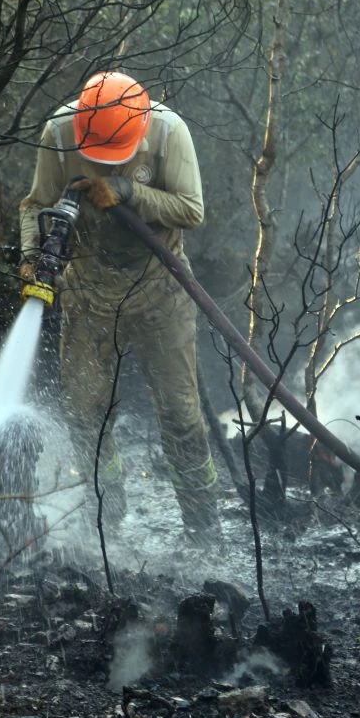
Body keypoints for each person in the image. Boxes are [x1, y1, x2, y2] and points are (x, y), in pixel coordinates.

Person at [18, 71, 221, 544]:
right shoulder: (60, 131)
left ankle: (204, 529)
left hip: (159, 289)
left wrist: (127, 193)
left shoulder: (169, 132)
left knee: (181, 415)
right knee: (84, 412)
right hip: (88, 288)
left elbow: (191, 210)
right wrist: (33, 256)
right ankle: (106, 519)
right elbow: (36, 205)